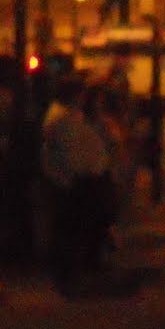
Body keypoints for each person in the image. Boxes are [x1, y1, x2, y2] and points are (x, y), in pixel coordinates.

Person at [41, 76, 119, 295]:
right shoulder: (63, 119)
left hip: (77, 180)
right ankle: (69, 277)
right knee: (70, 231)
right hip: (74, 182)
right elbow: (75, 154)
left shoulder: (67, 116)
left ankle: (76, 272)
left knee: (75, 230)